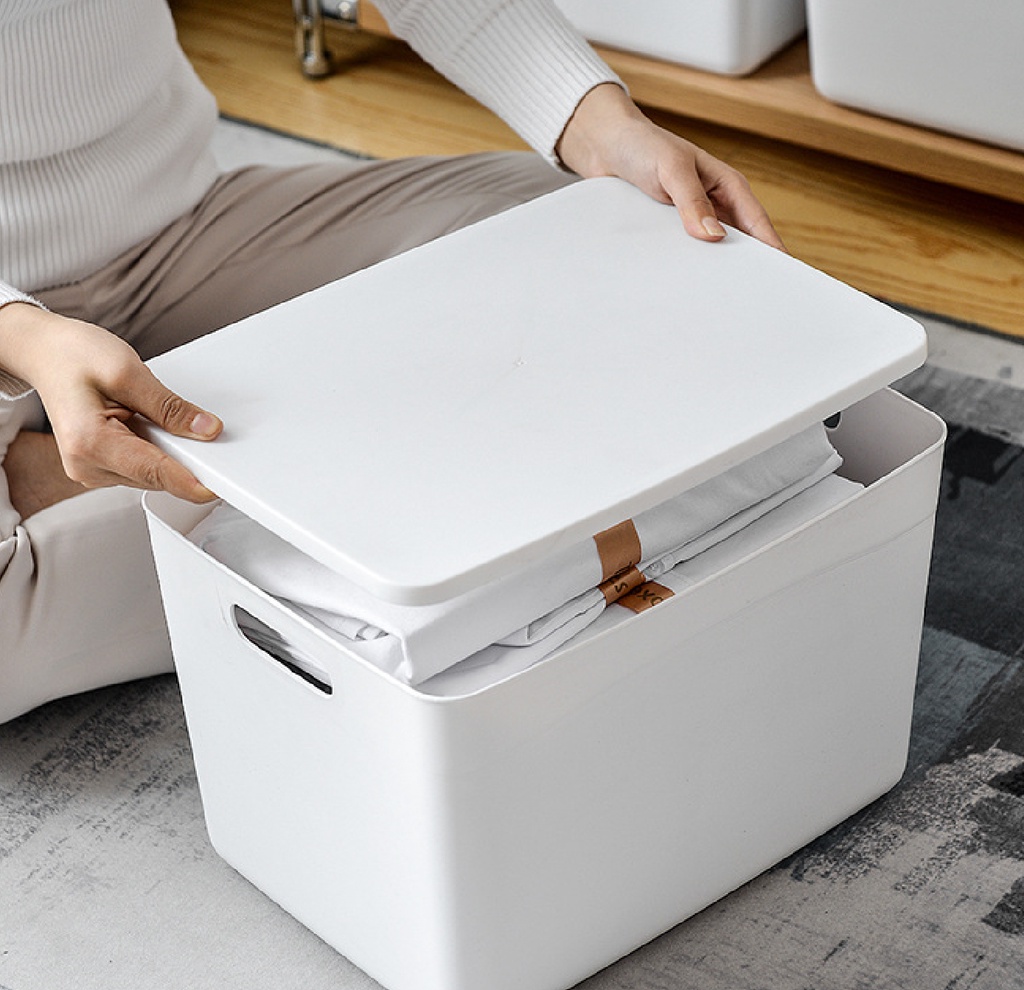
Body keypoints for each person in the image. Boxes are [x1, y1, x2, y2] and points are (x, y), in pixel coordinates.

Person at [0, 0, 783, 724]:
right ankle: (67, 471)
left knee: (595, 231)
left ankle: (157, 486)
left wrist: (600, 123)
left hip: (184, 227)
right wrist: (26, 338)